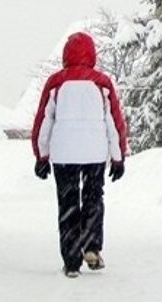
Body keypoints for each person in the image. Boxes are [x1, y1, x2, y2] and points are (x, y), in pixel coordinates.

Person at [31, 31, 129, 278]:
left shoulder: (56, 82)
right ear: (92, 54)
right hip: (94, 152)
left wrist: (41, 156)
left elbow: (44, 122)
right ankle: (92, 247)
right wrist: (118, 158)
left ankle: (72, 260)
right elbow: (114, 123)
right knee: (94, 198)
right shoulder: (101, 83)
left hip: (64, 154)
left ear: (66, 55)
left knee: (68, 204)